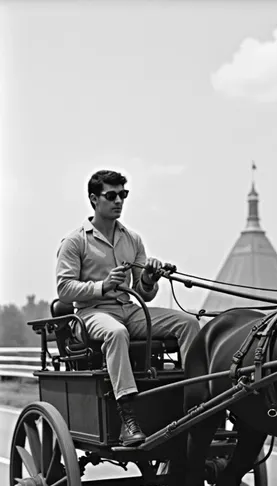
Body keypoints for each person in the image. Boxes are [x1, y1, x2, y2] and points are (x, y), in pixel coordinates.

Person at [56, 169, 200, 446]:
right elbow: (64, 290)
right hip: (91, 314)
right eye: (112, 196)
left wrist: (149, 278)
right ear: (94, 199)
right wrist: (103, 286)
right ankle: (128, 417)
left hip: (130, 310)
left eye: (123, 194)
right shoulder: (76, 241)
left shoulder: (133, 239)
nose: (119, 201)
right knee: (116, 333)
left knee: (188, 323)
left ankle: (195, 399)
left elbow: (145, 295)